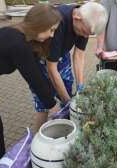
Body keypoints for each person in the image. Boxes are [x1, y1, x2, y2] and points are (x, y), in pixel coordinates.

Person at [0, 4, 61, 168]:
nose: (52, 35)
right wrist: (53, 105)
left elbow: (36, 71)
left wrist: (52, 98)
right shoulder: (16, 42)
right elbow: (33, 78)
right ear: (39, 24)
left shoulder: (21, 39)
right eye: (51, 29)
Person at [31, 2, 108, 130]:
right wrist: (68, 103)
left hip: (62, 55)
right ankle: (36, 139)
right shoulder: (58, 23)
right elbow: (51, 68)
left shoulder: (86, 23)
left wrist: (80, 87)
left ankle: (66, 129)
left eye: (88, 34)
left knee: (67, 92)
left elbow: (79, 56)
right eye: (84, 32)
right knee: (44, 104)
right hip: (40, 60)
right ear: (77, 18)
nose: (85, 36)